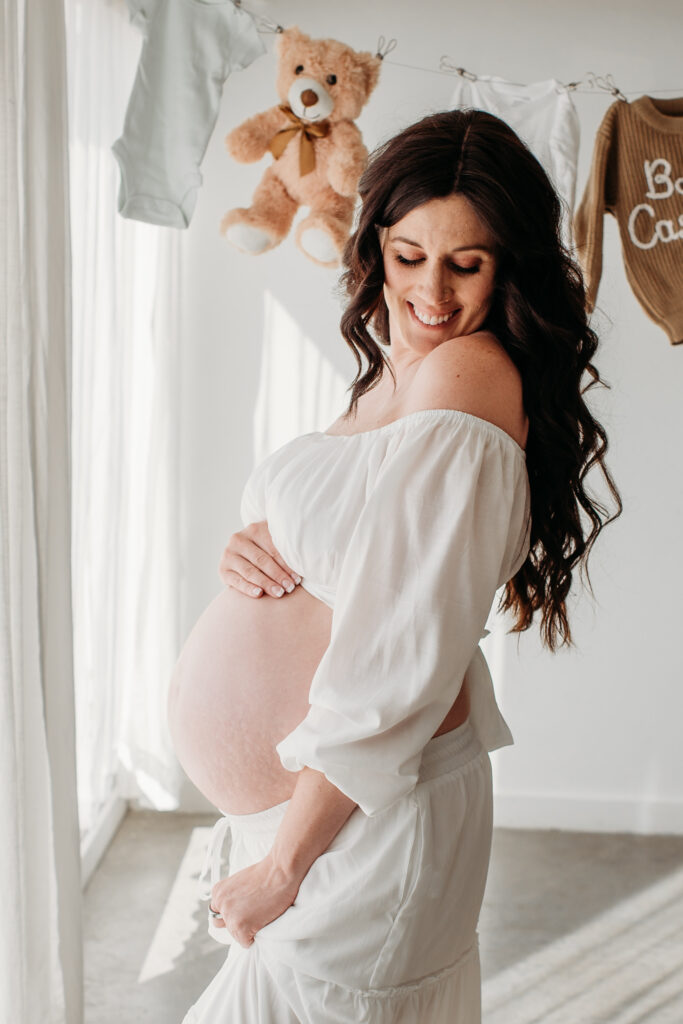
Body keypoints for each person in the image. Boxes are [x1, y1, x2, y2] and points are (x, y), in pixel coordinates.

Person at [183, 108, 622, 1024]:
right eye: (407, 255)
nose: (431, 292)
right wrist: (251, 543)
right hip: (328, 814)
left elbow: (399, 656)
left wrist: (283, 866)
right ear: (375, 243)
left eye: (467, 264)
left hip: (359, 828)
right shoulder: (401, 368)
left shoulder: (466, 376)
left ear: (509, 266)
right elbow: (353, 559)